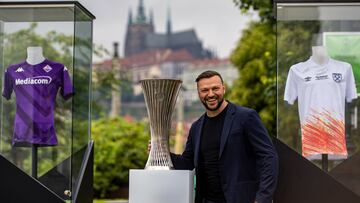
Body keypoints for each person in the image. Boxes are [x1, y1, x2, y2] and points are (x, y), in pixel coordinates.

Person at [170, 70, 278, 203]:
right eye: (204, 90)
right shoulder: (196, 127)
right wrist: (163, 152)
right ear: (198, 94)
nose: (210, 94)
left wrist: (263, 198)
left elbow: (268, 157)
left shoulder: (246, 117)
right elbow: (188, 163)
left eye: (215, 88)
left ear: (223, 89)